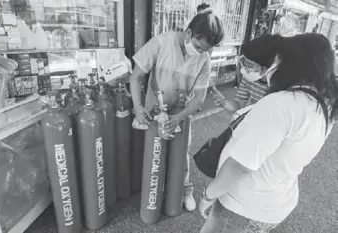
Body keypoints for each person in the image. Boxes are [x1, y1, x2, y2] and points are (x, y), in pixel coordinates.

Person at [199, 33, 337, 232]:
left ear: (295, 62)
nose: (276, 64)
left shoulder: (281, 104)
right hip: (274, 200)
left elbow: (240, 165)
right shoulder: (323, 105)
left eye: (280, 59)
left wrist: (208, 195)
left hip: (243, 205)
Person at [130, 9, 224, 211]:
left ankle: (184, 190)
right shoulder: (161, 42)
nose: (200, 52)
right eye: (198, 46)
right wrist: (138, 108)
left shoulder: (204, 58)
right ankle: (151, 191)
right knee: (153, 155)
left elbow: (199, 96)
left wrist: (180, 116)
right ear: (189, 33)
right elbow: (136, 76)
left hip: (182, 113)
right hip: (153, 112)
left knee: (181, 155)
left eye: (205, 50)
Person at [212, 34, 280, 117]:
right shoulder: (249, 77)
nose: (245, 69)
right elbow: (239, 104)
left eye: (249, 65)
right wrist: (224, 103)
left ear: (265, 68)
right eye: (243, 62)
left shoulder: (280, 85)